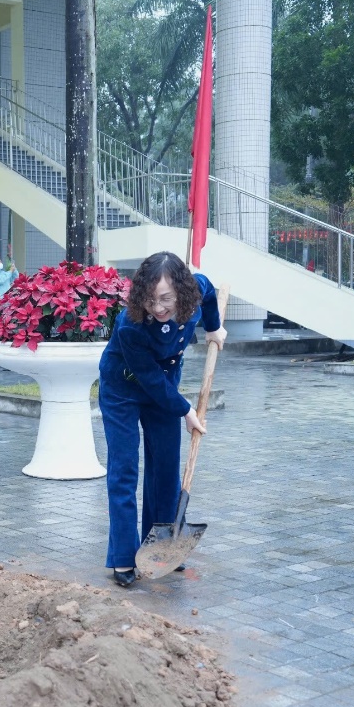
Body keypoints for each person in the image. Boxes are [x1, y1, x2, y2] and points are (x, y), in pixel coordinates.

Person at [99, 251, 226, 587]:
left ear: (182, 293)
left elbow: (210, 290)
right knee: (124, 470)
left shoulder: (195, 293)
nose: (158, 308)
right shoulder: (131, 325)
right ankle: (124, 557)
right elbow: (149, 379)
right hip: (123, 388)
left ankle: (160, 548)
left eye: (166, 299)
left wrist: (214, 329)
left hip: (164, 387)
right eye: (150, 299)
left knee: (167, 468)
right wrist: (186, 411)